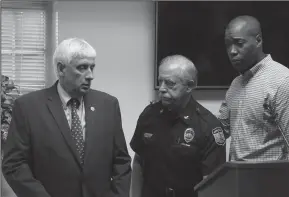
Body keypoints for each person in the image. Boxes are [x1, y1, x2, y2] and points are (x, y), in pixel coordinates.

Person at [2, 38, 131, 197]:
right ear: (61, 68)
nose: (90, 75)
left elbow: (121, 161)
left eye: (92, 67)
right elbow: (14, 164)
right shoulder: (28, 107)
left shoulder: (108, 105)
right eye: (82, 68)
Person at [130, 55, 226, 197]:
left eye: (170, 83)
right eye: (160, 81)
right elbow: (139, 160)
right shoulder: (149, 115)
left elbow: (212, 184)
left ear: (190, 86)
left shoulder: (208, 126)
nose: (161, 88)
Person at [219, 15, 289, 161]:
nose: (232, 51)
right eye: (228, 44)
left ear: (258, 40)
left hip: (268, 180)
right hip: (236, 178)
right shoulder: (235, 84)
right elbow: (220, 129)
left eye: (239, 43)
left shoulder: (282, 80)